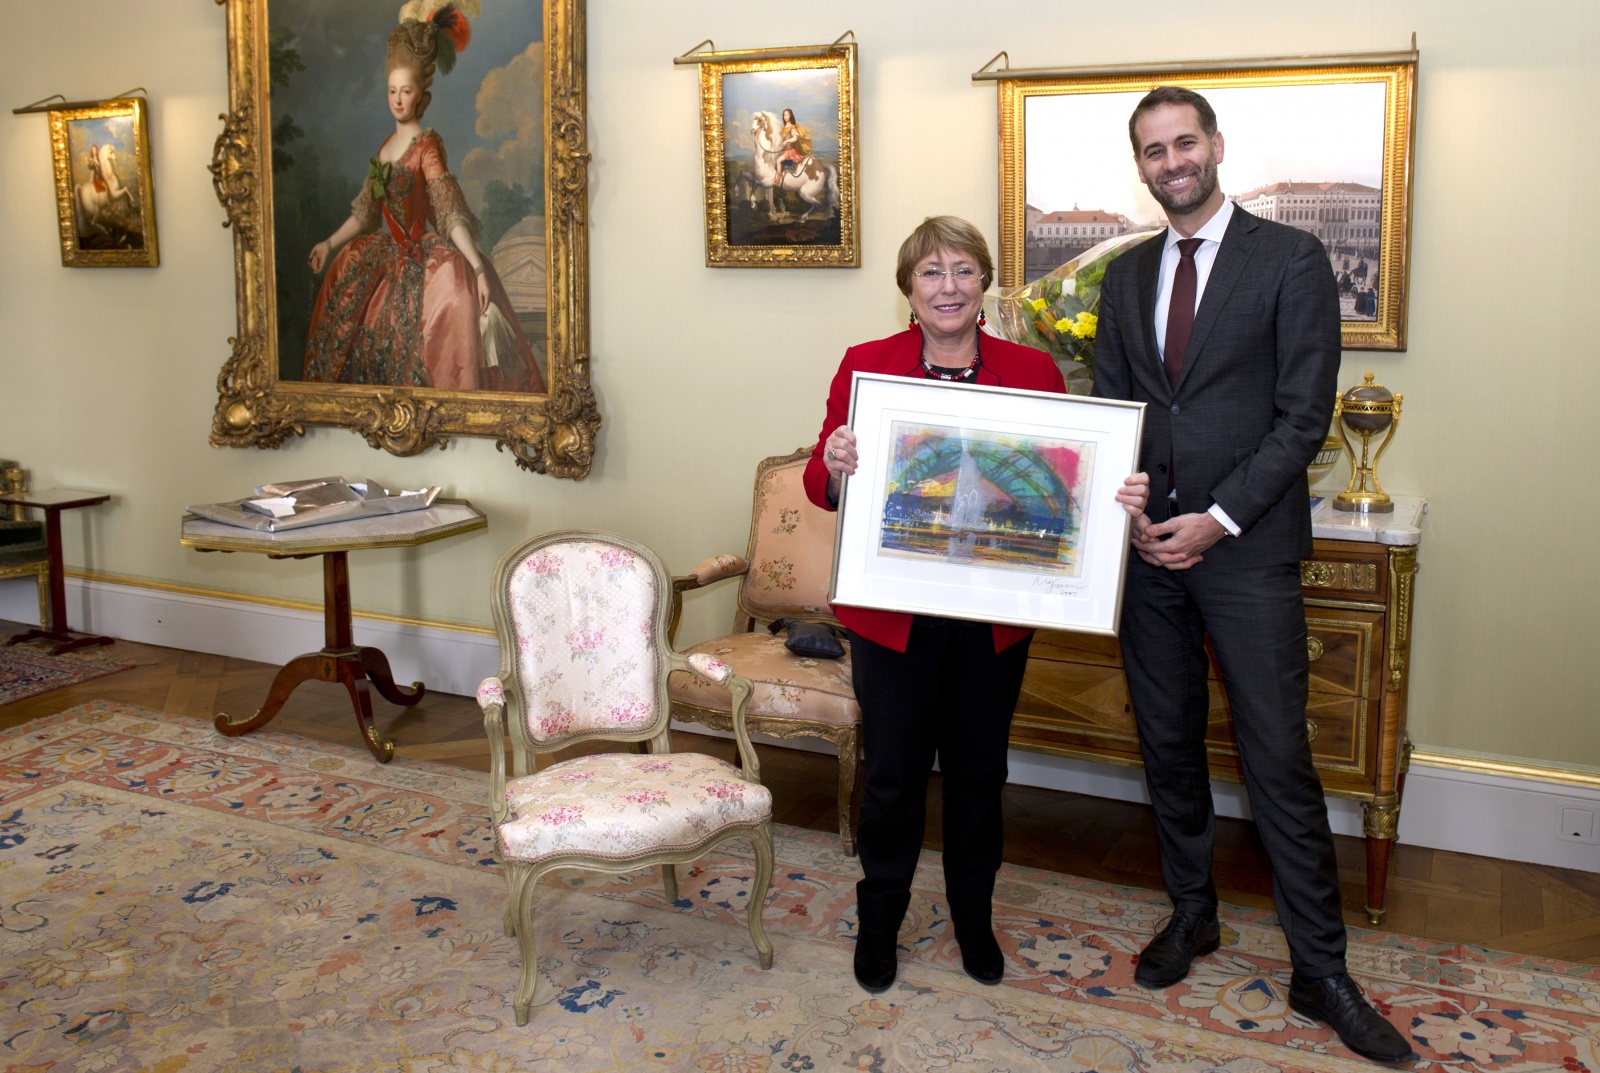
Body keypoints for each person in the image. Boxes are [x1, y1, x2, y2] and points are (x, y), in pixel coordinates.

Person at [1091, 86, 1412, 1064]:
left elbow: (1300, 417)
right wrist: (1142, 515)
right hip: (1148, 561)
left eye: (1184, 142)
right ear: (1140, 165)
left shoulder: (1290, 260)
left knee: (1278, 761)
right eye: (1153, 149)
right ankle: (1193, 915)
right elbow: (1115, 408)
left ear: (1215, 146)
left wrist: (1215, 519)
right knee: (1168, 746)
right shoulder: (1125, 275)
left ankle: (1320, 968)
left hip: (1247, 552)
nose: (1171, 161)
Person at [804, 215, 1149, 994]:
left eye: (962, 270)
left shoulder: (1034, 370)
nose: (948, 287)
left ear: (982, 281)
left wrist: (1109, 493)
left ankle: (971, 918)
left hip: (992, 620)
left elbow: (1060, 494)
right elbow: (822, 486)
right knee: (890, 775)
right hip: (892, 620)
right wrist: (835, 462)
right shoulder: (868, 366)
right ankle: (880, 918)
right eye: (931, 273)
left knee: (976, 775)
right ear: (909, 291)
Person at [302, 4, 543, 393]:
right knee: (346, 303)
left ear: (420, 95)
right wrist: (328, 244)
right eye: (392, 92)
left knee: (453, 299)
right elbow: (365, 213)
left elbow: (448, 210)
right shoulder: (383, 150)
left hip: (422, 258)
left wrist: (478, 269)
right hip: (382, 262)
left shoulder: (426, 146)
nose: (398, 100)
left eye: (406, 92)